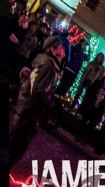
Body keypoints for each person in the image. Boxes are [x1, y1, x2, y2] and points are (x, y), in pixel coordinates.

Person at [9, 36, 66, 168]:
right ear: (53, 49)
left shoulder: (50, 65)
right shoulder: (48, 65)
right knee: (16, 147)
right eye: (61, 47)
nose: (63, 50)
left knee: (15, 145)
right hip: (29, 112)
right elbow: (38, 91)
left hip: (29, 110)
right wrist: (50, 104)